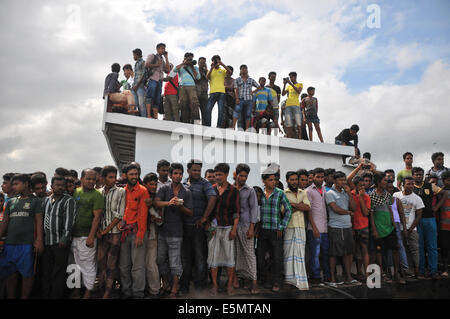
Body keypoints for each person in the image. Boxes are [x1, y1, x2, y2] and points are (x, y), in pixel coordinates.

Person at [0, 174, 44, 299]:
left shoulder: (36, 201)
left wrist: (39, 240)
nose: (14, 187)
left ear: (26, 184)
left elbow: (38, 221)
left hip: (27, 244)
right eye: (13, 184)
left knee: (27, 275)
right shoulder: (11, 202)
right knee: (10, 275)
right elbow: (4, 224)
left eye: (16, 184)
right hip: (10, 244)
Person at [154, 163, 193, 298]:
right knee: (160, 259)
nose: (178, 176)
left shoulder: (186, 192)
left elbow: (190, 212)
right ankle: (165, 284)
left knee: (175, 262)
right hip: (163, 231)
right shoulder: (164, 188)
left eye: (180, 173)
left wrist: (181, 207)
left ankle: (174, 289)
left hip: (177, 232)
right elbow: (156, 202)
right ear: (170, 175)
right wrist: (168, 203)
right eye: (175, 173)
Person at [180, 160, 216, 295]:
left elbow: (212, 198)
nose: (196, 172)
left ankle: (200, 284)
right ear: (188, 170)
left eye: (198, 170)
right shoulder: (183, 183)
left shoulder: (204, 183)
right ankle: (186, 282)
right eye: (194, 170)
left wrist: (205, 217)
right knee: (185, 257)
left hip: (197, 226)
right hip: (184, 226)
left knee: (200, 256)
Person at [257, 167, 292, 292]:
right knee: (260, 257)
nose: (273, 182)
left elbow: (288, 210)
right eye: (270, 180)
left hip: (275, 231)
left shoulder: (279, 193)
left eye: (274, 180)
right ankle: (265, 280)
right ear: (264, 181)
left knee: (276, 258)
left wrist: (282, 226)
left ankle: (276, 282)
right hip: (262, 230)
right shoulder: (260, 193)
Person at [207, 163, 239, 296]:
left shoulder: (233, 190)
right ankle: (215, 286)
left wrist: (234, 230)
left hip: (227, 228)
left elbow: (236, 212)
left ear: (226, 174)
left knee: (229, 258)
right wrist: (209, 225)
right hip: (214, 229)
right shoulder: (211, 189)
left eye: (220, 174)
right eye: (216, 175)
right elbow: (208, 210)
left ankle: (229, 285)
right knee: (213, 258)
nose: (217, 177)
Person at [41, 175, 76, 299]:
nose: (60, 187)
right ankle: (46, 295)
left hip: (60, 243)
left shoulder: (68, 200)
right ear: (52, 186)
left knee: (58, 272)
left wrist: (64, 238)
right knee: (46, 272)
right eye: (57, 185)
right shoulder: (46, 200)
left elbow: (69, 221)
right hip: (47, 241)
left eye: (62, 185)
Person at [70, 169, 104, 299]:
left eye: (94, 179)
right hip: (74, 235)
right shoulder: (76, 192)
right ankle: (76, 292)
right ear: (82, 178)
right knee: (74, 266)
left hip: (87, 236)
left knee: (88, 266)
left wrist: (91, 236)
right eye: (88, 179)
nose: (91, 182)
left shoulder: (97, 195)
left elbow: (97, 218)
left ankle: (88, 293)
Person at [118, 163, 149, 299]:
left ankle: (138, 292)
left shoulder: (143, 190)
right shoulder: (122, 191)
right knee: (124, 265)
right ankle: (126, 291)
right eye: (131, 174)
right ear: (125, 176)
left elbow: (143, 214)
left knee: (137, 266)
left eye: (136, 174)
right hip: (124, 233)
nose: (134, 177)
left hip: (137, 232)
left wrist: (140, 234)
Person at [412, 166, 447, 279]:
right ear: (413, 175)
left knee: (432, 246)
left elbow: (444, 194)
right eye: (417, 174)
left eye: (421, 174)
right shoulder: (410, 188)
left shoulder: (430, 185)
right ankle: (421, 270)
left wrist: (436, 207)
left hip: (430, 219)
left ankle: (433, 270)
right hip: (417, 220)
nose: (419, 176)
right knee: (420, 246)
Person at [325, 171, 358, 287]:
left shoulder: (345, 193)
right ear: (334, 181)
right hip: (335, 227)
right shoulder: (329, 193)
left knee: (348, 253)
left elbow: (354, 208)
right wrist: (349, 212)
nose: (343, 182)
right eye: (340, 180)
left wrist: (349, 194)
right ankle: (332, 279)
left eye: (344, 180)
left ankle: (348, 277)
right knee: (333, 254)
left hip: (347, 226)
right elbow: (335, 209)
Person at [369, 171, 403, 283]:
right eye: (384, 180)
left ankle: (396, 274)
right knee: (379, 252)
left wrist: (393, 223)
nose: (386, 182)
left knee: (396, 249)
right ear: (379, 182)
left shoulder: (387, 195)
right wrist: (374, 229)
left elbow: (390, 209)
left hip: (389, 227)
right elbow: (372, 214)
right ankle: (382, 274)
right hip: (379, 228)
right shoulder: (372, 195)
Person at [97, 166, 125, 299]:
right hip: (101, 234)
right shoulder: (99, 192)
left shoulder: (120, 192)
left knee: (111, 264)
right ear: (103, 178)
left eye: (114, 177)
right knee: (101, 262)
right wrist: (99, 231)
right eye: (110, 177)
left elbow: (119, 215)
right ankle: (102, 289)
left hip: (114, 233)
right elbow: (97, 214)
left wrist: (104, 231)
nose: (113, 180)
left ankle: (108, 292)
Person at [232, 164, 259, 294]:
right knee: (236, 254)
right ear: (235, 174)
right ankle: (238, 279)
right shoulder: (230, 188)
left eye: (245, 176)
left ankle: (254, 281)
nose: (243, 178)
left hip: (246, 225)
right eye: (241, 175)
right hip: (232, 226)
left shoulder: (250, 190)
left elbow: (254, 209)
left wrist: (252, 227)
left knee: (249, 254)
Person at [393, 176, 424, 278]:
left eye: (412, 184)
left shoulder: (417, 198)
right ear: (403, 184)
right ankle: (402, 272)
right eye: (408, 184)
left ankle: (416, 271)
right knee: (400, 250)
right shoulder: (396, 195)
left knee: (414, 250)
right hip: (398, 228)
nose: (411, 186)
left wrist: (410, 229)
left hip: (412, 229)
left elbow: (419, 216)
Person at [284, 171, 310, 290]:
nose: (294, 182)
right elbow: (283, 211)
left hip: (300, 227)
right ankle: (290, 281)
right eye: (292, 180)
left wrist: (292, 205)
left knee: (300, 254)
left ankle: (300, 281)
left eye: (296, 179)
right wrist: (299, 206)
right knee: (288, 255)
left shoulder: (303, 192)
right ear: (287, 181)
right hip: (289, 227)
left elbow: (307, 207)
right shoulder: (283, 193)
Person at [305, 168, 331, 285]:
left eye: (322, 177)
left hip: (325, 228)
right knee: (315, 254)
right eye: (318, 177)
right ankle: (315, 277)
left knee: (325, 253)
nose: (320, 179)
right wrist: (314, 227)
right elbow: (308, 211)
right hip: (314, 228)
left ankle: (326, 276)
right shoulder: (308, 191)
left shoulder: (325, 190)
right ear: (313, 177)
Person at [142, 172, 163, 298]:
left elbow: (160, 220)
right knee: (141, 264)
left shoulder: (157, 198)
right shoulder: (141, 195)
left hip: (152, 234)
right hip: (139, 233)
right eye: (151, 184)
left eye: (155, 184)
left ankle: (154, 290)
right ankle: (144, 288)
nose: (154, 186)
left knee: (150, 263)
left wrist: (156, 217)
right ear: (145, 184)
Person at [205, 55, 232, 128]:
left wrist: (222, 63)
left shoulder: (222, 70)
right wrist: (211, 67)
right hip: (212, 93)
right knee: (208, 110)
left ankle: (219, 126)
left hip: (221, 93)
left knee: (221, 111)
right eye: (214, 60)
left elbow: (230, 72)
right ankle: (208, 126)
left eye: (216, 60)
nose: (215, 61)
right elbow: (207, 77)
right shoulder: (210, 70)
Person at [174, 52, 201, 124]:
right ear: (185, 58)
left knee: (194, 103)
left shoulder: (194, 67)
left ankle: (197, 122)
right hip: (182, 86)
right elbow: (174, 70)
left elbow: (198, 77)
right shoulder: (181, 66)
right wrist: (184, 63)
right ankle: (185, 122)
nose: (190, 60)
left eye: (191, 59)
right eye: (189, 59)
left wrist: (192, 66)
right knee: (183, 104)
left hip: (192, 86)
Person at [145, 43, 170, 119]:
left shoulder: (163, 59)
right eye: (162, 48)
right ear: (157, 49)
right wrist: (156, 65)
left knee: (157, 99)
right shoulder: (152, 56)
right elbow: (146, 65)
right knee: (149, 97)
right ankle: (149, 115)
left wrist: (166, 57)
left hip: (160, 81)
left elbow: (167, 70)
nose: (163, 50)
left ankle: (155, 117)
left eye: (164, 49)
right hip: (153, 79)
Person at [233, 65, 259, 130]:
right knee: (237, 111)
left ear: (247, 70)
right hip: (240, 98)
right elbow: (236, 89)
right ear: (240, 70)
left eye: (245, 68)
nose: (244, 70)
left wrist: (253, 92)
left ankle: (247, 129)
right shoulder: (237, 79)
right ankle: (233, 127)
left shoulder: (251, 80)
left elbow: (258, 87)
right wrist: (237, 98)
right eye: (242, 69)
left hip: (249, 100)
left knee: (248, 114)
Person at [282, 72, 304, 139]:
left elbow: (298, 91)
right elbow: (283, 94)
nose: (291, 79)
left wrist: (290, 83)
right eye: (290, 77)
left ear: (295, 77)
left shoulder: (300, 84)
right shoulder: (288, 86)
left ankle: (300, 137)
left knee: (298, 122)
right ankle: (290, 137)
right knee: (288, 123)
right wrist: (284, 84)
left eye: (292, 77)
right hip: (288, 105)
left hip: (296, 105)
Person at [439, 171, 450, 277]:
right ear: (443, 181)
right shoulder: (440, 192)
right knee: (445, 247)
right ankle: (445, 269)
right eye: (448, 180)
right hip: (444, 226)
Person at [131, 49, 147, 118]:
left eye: (134, 55)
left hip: (140, 87)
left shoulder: (143, 62)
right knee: (135, 104)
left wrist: (137, 85)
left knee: (141, 105)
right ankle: (135, 119)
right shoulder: (136, 64)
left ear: (137, 55)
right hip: (134, 87)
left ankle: (144, 119)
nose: (133, 57)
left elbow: (144, 75)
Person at [196, 57, 209, 125]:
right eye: (201, 62)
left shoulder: (206, 71)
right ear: (198, 63)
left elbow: (209, 78)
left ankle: (204, 126)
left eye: (204, 62)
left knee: (205, 111)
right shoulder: (195, 70)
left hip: (204, 93)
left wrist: (206, 68)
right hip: (196, 93)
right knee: (195, 111)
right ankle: (197, 125)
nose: (202, 64)